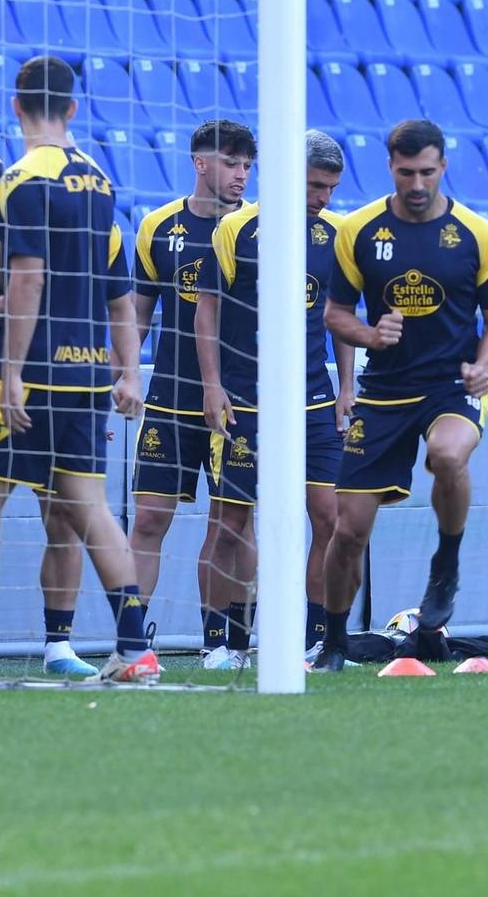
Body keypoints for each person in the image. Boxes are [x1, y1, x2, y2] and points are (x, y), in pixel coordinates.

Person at [0, 57, 160, 683]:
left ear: (16, 107)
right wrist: (128, 371)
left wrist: (7, 372)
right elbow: (106, 291)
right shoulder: (98, 180)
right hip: (88, 374)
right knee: (90, 508)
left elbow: (29, 280)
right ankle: (135, 646)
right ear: (73, 108)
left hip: (34, 375)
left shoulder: (24, 178)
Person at [312, 120, 488, 673]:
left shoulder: (475, 233)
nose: (417, 183)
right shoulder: (358, 231)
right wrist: (372, 336)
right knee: (348, 529)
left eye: (427, 172)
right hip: (384, 391)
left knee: (447, 454)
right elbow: (334, 314)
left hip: (452, 384)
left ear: (442, 166)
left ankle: (445, 562)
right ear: (390, 168)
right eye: (406, 173)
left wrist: (485, 364)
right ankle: (332, 642)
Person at [194, 130, 358, 668]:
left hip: (313, 400)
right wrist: (213, 386)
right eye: (315, 185)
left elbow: (339, 317)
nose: (323, 198)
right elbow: (207, 310)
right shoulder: (237, 228)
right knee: (231, 523)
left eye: (331, 188)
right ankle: (222, 643)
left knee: (331, 517)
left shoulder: (337, 234)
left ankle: (316, 639)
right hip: (245, 401)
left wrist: (347, 385)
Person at [132, 120, 253, 654]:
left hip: (239, 402)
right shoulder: (158, 226)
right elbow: (138, 312)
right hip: (169, 398)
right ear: (200, 163)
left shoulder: (259, 228)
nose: (241, 175)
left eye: (248, 166)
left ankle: (225, 643)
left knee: (234, 524)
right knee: (151, 518)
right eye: (231, 163)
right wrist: (122, 376)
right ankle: (129, 640)